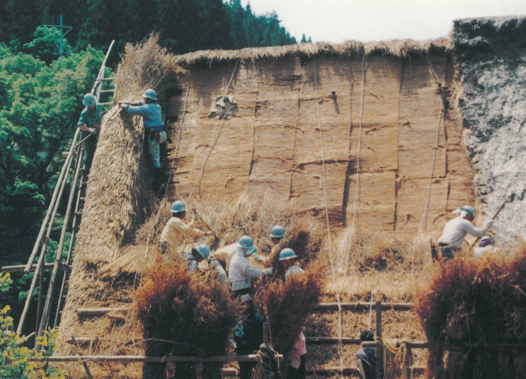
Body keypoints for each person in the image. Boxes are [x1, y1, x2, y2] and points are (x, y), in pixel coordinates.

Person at [119, 89, 166, 190]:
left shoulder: (147, 109)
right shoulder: (157, 107)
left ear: (148, 99)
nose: (144, 99)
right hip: (162, 134)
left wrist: (125, 106)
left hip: (154, 137)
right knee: (158, 154)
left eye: (145, 97)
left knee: (155, 160)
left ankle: (158, 184)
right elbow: (142, 104)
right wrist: (136, 103)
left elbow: (133, 110)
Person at [279, 248, 306, 379]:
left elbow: (289, 291)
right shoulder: (301, 271)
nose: (282, 264)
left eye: (283, 261)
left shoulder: (289, 273)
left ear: (287, 261)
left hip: (294, 305)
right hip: (302, 304)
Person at [234, 294, 264, 379]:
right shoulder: (241, 321)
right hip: (251, 351)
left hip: (251, 351)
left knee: (247, 374)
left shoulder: (240, 321)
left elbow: (237, 338)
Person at [77, 93, 104, 174]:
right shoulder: (84, 113)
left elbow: (107, 114)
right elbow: (80, 125)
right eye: (89, 105)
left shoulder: (100, 107)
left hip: (102, 132)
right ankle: (88, 170)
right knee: (89, 153)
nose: (91, 106)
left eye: (92, 104)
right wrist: (90, 129)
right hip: (90, 135)